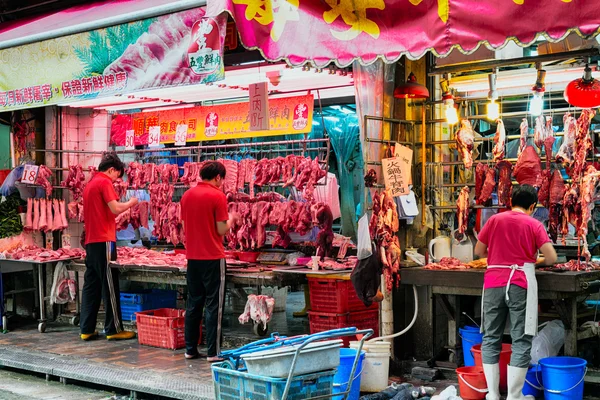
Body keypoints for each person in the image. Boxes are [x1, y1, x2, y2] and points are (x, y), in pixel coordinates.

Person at [474, 185, 557, 400]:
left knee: (491, 336)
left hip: (493, 281)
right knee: (521, 338)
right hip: (520, 281)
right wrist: (534, 261)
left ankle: (492, 394)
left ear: (511, 202)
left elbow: (478, 251)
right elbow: (551, 258)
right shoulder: (534, 224)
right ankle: (514, 396)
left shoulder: (494, 220)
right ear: (532, 206)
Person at [181, 161, 236, 361]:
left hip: (192, 258)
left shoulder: (187, 195)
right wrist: (232, 219)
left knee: (193, 304)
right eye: (223, 179)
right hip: (212, 257)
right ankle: (213, 352)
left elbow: (184, 224)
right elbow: (221, 230)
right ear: (218, 177)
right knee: (214, 305)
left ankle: (190, 349)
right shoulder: (217, 196)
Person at [80, 152, 138, 341]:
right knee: (110, 284)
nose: (116, 180)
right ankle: (114, 329)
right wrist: (131, 203)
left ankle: (86, 329)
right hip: (103, 240)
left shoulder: (90, 185)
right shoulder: (104, 182)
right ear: (111, 170)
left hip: (91, 241)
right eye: (117, 176)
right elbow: (115, 208)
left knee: (91, 285)